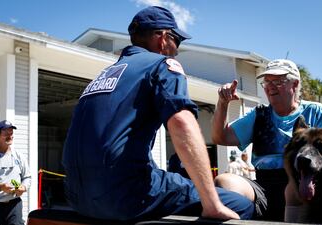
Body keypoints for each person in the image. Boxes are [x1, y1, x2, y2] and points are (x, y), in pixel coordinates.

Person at [62, 6, 255, 222]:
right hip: (125, 195)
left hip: (76, 197)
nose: (177, 50)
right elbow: (182, 124)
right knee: (240, 205)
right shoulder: (162, 65)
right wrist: (212, 204)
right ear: (163, 38)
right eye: (177, 41)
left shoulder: (102, 77)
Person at [211, 59, 322, 221]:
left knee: (292, 189)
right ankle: (248, 218)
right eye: (267, 81)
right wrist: (222, 103)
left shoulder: (316, 112)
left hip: (303, 181)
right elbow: (219, 137)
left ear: (295, 84)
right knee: (224, 181)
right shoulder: (259, 115)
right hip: (264, 185)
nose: (270, 86)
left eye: (278, 81)